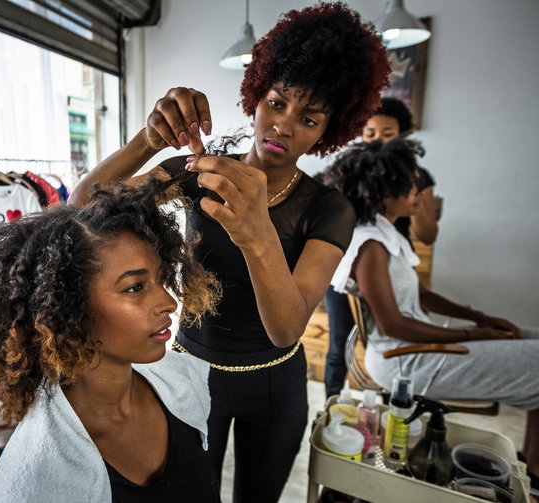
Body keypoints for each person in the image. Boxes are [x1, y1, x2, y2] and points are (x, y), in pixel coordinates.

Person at [69, 3, 391, 500]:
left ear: (328, 132)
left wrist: (256, 229)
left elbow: (286, 327)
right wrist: (148, 140)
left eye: (309, 118)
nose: (283, 126)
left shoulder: (329, 208)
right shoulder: (199, 173)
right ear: (257, 95)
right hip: (186, 371)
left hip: (273, 383)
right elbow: (84, 205)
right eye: (278, 102)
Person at [0, 178, 222, 502]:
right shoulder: (39, 475)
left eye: (160, 278)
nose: (169, 303)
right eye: (134, 287)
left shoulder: (181, 385)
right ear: (67, 310)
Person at [325, 139, 539, 490]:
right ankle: (534, 478)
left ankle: (531, 470)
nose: (418, 192)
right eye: (408, 185)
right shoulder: (371, 245)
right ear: (382, 191)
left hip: (413, 345)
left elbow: (422, 295)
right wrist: (473, 335)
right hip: (404, 361)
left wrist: (480, 318)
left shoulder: (388, 235)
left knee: (530, 338)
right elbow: (393, 324)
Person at [324, 96, 438, 398]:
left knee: (393, 337)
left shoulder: (417, 178)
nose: (377, 141)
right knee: (339, 341)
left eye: (387, 135)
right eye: (370, 133)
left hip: (392, 267)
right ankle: (332, 401)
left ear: (403, 136)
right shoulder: (350, 171)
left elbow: (427, 235)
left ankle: (394, 398)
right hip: (350, 266)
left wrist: (416, 190)